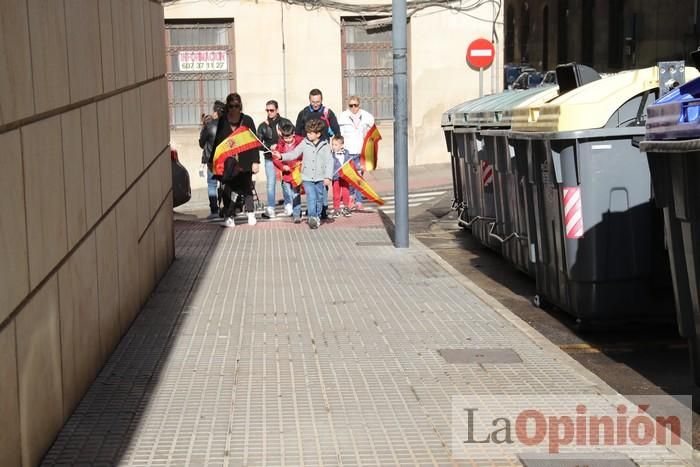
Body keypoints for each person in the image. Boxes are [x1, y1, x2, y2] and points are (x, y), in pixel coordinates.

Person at [273, 119, 332, 229]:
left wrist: (328, 176)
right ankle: (312, 217)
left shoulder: (325, 145)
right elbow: (294, 153)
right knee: (311, 196)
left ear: (318, 134)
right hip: (307, 176)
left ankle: (317, 216)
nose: (308, 135)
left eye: (311, 133)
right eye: (307, 132)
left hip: (320, 176)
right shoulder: (304, 143)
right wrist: (281, 156)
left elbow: (329, 161)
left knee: (320, 198)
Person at [214, 93, 260, 227]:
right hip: (229, 162)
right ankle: (230, 216)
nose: (234, 109)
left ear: (240, 106)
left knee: (246, 187)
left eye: (237, 106)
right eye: (231, 106)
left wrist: (255, 161)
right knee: (229, 189)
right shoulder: (222, 122)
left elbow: (254, 141)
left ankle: (250, 214)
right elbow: (218, 143)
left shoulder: (247, 120)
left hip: (246, 159)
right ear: (227, 107)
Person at [295, 89, 340, 218]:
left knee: (322, 183)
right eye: (313, 102)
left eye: (318, 102)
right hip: (308, 151)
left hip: (323, 150)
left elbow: (337, 131)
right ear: (309, 100)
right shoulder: (303, 113)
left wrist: (335, 145)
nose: (315, 104)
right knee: (310, 185)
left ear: (322, 100)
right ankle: (312, 210)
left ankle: (323, 208)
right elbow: (298, 134)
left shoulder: (327, 112)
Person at [257, 100, 293, 219]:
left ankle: (288, 205)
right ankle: (271, 208)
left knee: (286, 182)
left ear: (277, 110)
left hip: (283, 158)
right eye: (267, 110)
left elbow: (292, 137)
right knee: (270, 183)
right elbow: (257, 143)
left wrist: (278, 144)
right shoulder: (263, 126)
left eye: (271, 110)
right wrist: (268, 147)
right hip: (269, 158)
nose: (269, 112)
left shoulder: (285, 122)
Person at [338, 95, 375, 211]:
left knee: (359, 177)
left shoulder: (366, 116)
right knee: (350, 177)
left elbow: (371, 130)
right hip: (348, 152)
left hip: (360, 151)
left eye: (356, 105)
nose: (354, 108)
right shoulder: (343, 116)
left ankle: (358, 200)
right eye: (351, 105)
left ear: (359, 105)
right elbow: (340, 134)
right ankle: (351, 198)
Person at [271, 122, 304, 223]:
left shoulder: (300, 142)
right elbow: (275, 158)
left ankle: (297, 214)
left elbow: (305, 153)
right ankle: (291, 207)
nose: (288, 140)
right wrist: (282, 166)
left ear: (293, 134)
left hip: (296, 173)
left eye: (289, 138)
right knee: (288, 194)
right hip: (285, 174)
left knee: (295, 194)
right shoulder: (280, 144)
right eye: (285, 138)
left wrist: (302, 163)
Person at [199, 100, 226, 219]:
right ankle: (228, 208)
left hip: (212, 160)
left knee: (211, 185)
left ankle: (214, 211)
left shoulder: (209, 126)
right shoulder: (228, 125)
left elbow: (201, 143)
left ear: (215, 112)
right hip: (225, 159)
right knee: (226, 183)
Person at [330, 135, 352, 218]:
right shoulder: (331, 155)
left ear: (342, 145)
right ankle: (336, 208)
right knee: (336, 194)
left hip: (345, 176)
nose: (334, 146)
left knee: (346, 192)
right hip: (335, 177)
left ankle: (346, 207)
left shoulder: (347, 153)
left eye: (336, 145)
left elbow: (350, 163)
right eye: (333, 144)